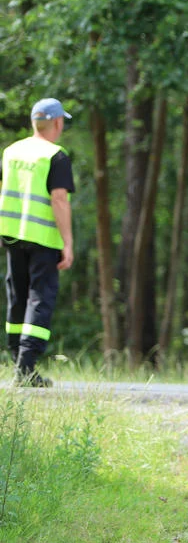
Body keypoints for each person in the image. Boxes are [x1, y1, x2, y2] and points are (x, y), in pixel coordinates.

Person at [1, 98, 75, 387]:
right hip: (42, 238)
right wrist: (67, 242)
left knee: (17, 296)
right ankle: (26, 367)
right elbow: (59, 198)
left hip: (11, 234)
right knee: (39, 297)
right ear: (57, 123)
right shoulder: (55, 155)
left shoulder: (11, 152)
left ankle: (17, 362)